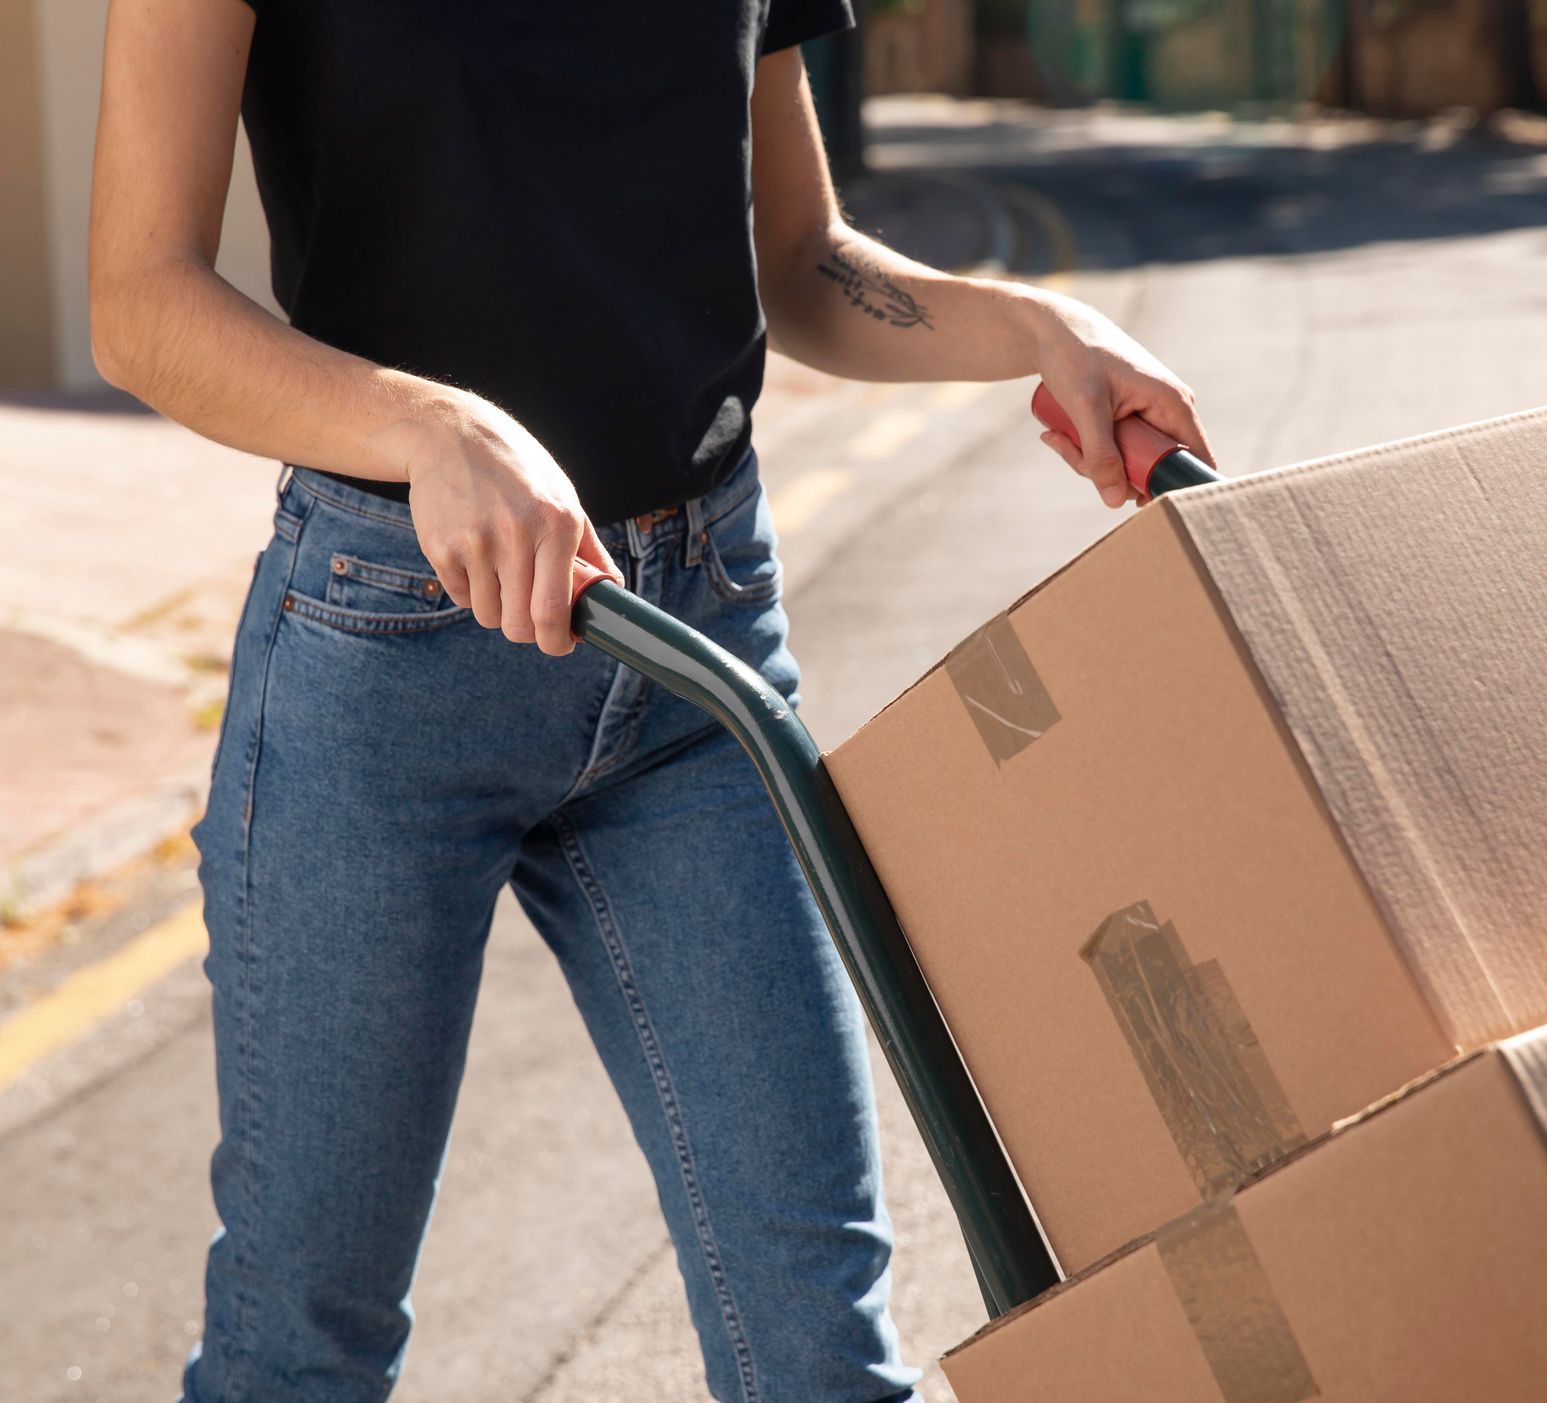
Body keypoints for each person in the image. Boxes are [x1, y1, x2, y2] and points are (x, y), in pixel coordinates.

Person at [88, 1, 1216, 1399]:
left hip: (698, 650)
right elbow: (140, 299)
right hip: (390, 650)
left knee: (821, 1349)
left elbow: (800, 259)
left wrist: (1042, 326)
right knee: (303, 1354)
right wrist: (436, 424)